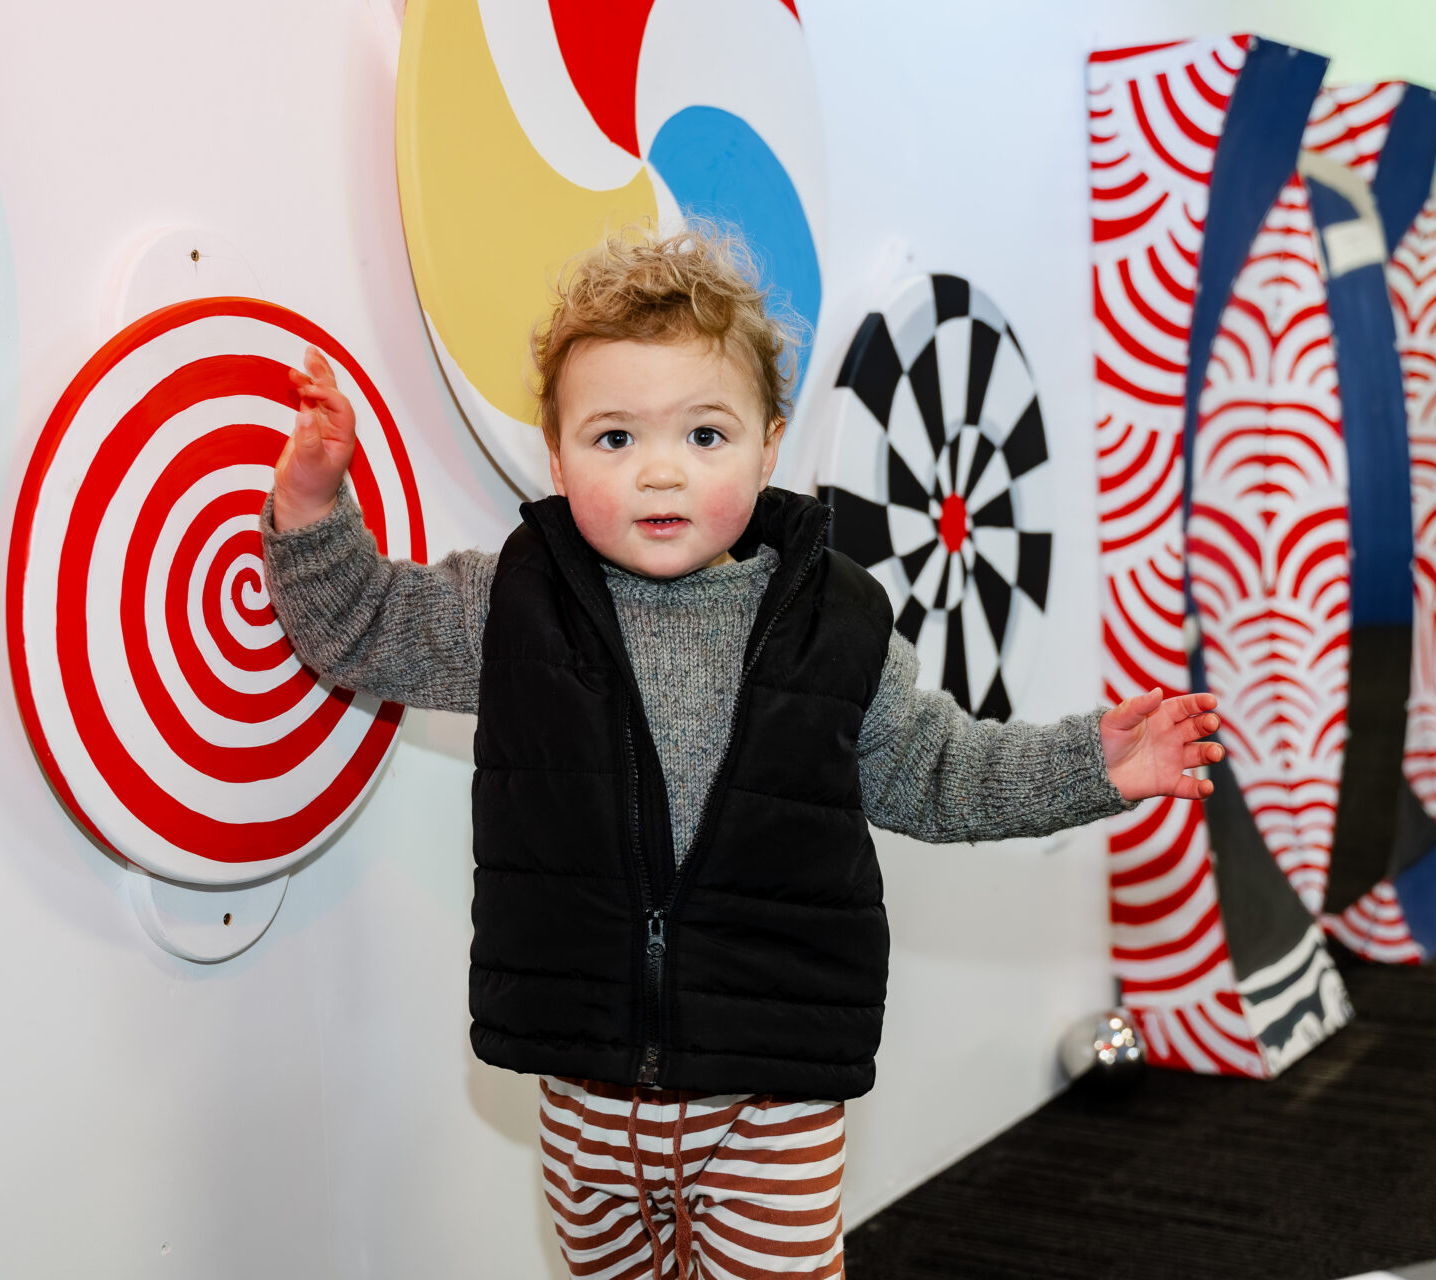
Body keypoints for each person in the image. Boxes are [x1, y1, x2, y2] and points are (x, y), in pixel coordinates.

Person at [261, 227, 1221, 1279]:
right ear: (556, 450)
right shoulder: (517, 600)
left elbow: (939, 770)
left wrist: (1092, 765)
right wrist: (313, 507)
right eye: (615, 438)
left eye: (705, 436)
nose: (660, 469)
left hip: (773, 1082)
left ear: (769, 447)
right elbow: (360, 623)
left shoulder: (836, 620)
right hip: (587, 1079)